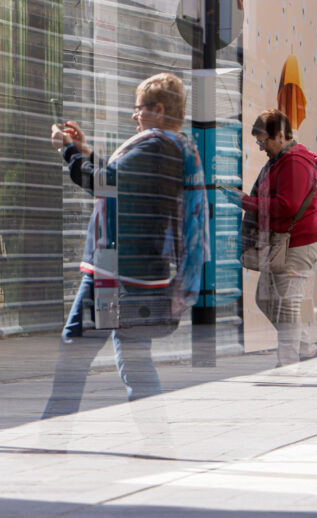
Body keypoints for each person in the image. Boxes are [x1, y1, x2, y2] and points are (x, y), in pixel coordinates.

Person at [42, 73, 208, 418]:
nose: (134, 116)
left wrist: (67, 150)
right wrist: (85, 150)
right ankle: (157, 436)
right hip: (142, 274)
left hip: (114, 274)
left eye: (138, 108)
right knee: (134, 359)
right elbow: (123, 182)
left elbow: (102, 183)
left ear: (158, 109)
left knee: (76, 349)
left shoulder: (155, 147)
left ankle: (53, 430)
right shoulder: (174, 148)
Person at [237, 109, 317, 366]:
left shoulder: (295, 162)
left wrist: (246, 202)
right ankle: (307, 350)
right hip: (281, 243)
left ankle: (288, 365)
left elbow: (287, 206)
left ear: (280, 135)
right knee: (265, 300)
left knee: (287, 305)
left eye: (263, 141)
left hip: (298, 243)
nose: (261, 147)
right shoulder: (280, 161)